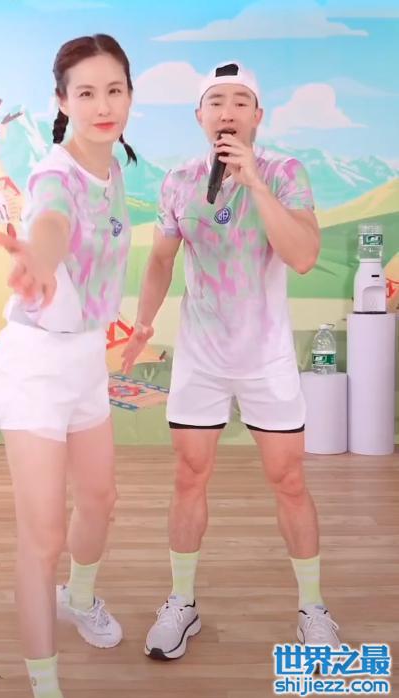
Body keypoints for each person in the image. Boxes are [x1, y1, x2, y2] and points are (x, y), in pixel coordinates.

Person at [122, 61, 341, 661]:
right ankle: (182, 602)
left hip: (266, 357)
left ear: (258, 116)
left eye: (240, 101)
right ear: (199, 115)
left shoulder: (285, 173)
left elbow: (302, 256)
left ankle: (313, 607)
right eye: (216, 101)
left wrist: (256, 186)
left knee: (288, 480)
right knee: (188, 476)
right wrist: (143, 323)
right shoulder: (179, 181)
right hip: (202, 357)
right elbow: (161, 260)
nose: (227, 112)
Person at [0, 34, 135, 698]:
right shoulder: (55, 175)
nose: (103, 106)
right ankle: (45, 686)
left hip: (85, 359)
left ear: (129, 95)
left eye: (114, 90)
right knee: (42, 537)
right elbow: (50, 224)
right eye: (87, 93)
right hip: (37, 367)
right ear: (62, 101)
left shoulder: (114, 166)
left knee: (100, 501)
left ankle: (80, 597)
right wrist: (38, 261)